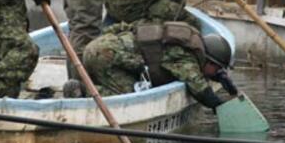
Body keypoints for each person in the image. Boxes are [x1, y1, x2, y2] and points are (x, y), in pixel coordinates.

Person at [82, 21, 238, 109]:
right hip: (107, 55)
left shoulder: (189, 39)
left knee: (127, 81)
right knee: (131, 100)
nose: (214, 72)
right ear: (208, 59)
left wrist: (220, 77)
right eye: (216, 69)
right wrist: (220, 106)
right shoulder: (185, 58)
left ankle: (90, 86)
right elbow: (200, 89)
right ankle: (83, 91)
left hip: (99, 45)